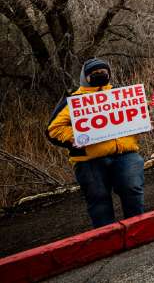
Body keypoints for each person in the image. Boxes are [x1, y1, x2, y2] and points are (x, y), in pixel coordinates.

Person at [46, 58, 145, 227]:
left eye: (103, 72)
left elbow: (138, 117)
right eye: (94, 73)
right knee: (98, 200)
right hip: (89, 160)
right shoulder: (73, 101)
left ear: (109, 74)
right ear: (85, 77)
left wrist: (145, 117)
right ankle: (106, 239)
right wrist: (75, 136)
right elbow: (53, 129)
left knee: (133, 189)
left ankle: (138, 229)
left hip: (125, 154)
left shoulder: (122, 95)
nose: (100, 75)